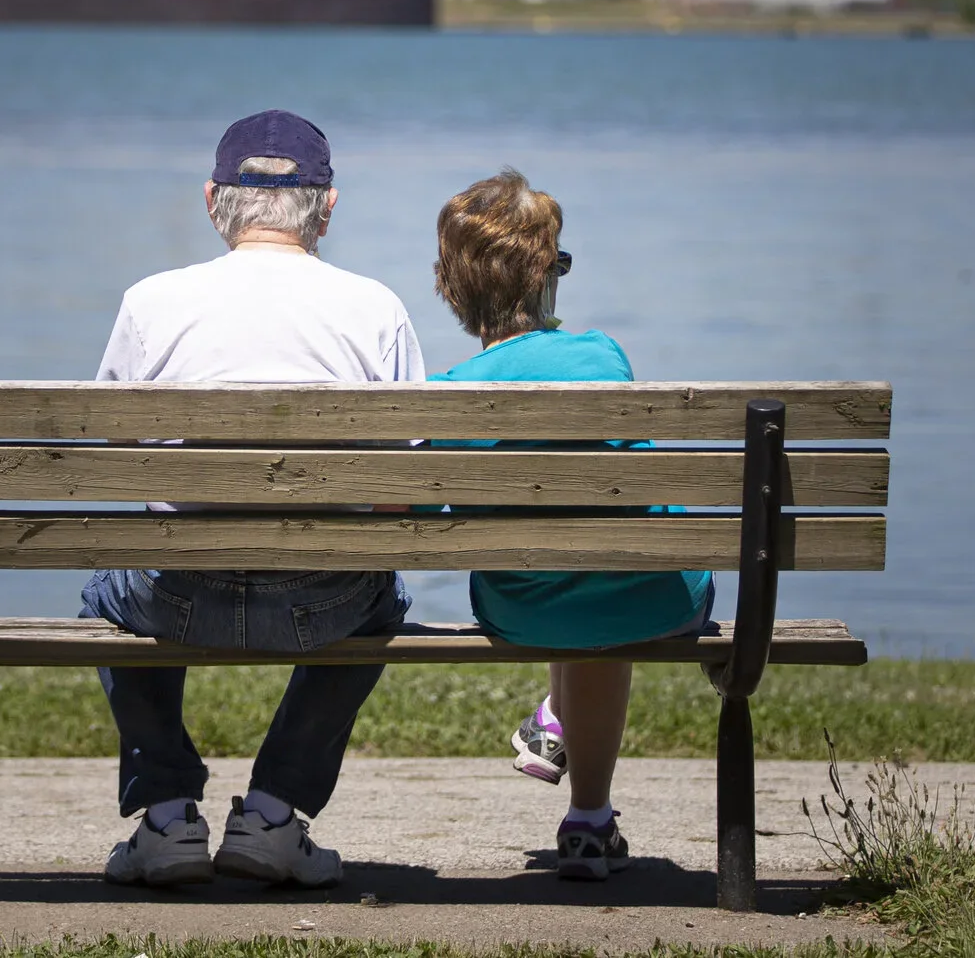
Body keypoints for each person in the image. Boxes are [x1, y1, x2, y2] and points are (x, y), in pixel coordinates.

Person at [83, 109, 422, 890]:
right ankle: (273, 813)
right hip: (324, 601)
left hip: (175, 598)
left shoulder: (150, 300)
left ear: (214, 200)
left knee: (109, 584)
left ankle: (166, 818)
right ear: (327, 206)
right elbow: (409, 487)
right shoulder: (377, 306)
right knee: (385, 593)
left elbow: (113, 463)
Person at [427, 168, 712, 882]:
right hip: (658, 598)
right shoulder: (603, 357)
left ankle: (558, 718)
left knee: (567, 572)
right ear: (549, 275)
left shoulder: (451, 394)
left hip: (520, 607)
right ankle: (588, 813)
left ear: (451, 287)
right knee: (603, 573)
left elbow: (420, 508)